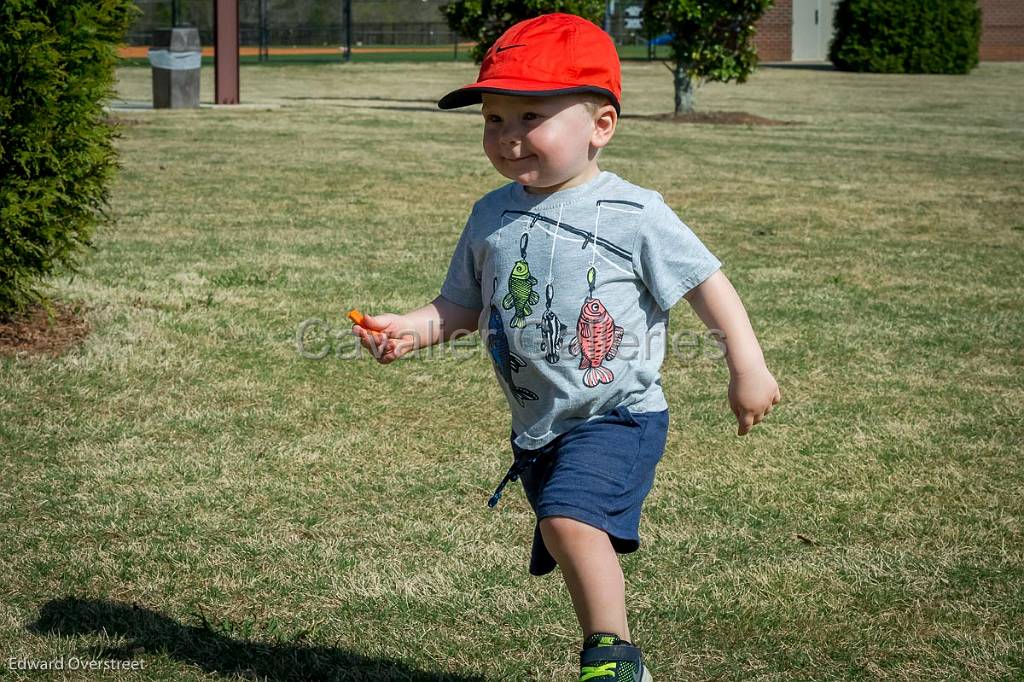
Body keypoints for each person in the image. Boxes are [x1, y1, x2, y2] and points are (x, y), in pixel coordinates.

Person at [351, 12, 781, 682]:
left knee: (569, 519)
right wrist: (408, 328)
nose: (509, 137)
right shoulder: (491, 214)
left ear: (600, 126)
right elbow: (461, 308)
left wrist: (746, 367)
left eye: (531, 116)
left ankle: (613, 659)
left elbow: (708, 284)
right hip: (539, 425)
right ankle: (608, 649)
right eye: (494, 119)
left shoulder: (634, 213)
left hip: (618, 414)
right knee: (562, 528)